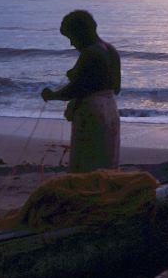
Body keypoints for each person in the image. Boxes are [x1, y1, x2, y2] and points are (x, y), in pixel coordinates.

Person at [41, 10, 121, 172]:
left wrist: (52, 95)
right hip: (110, 108)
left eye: (71, 37)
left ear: (82, 32)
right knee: (106, 157)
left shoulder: (90, 53)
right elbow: (116, 87)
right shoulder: (111, 50)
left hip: (91, 112)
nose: (71, 43)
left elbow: (75, 89)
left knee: (86, 160)